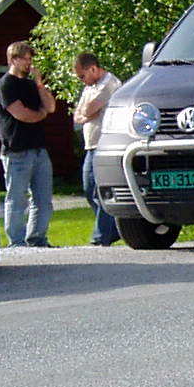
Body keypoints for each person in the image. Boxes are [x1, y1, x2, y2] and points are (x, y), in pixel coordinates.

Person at [0, 40, 57, 247]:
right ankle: (17, 241)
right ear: (13, 59)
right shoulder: (6, 85)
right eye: (26, 59)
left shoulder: (31, 85)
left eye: (31, 59)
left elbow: (51, 106)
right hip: (16, 150)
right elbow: (21, 114)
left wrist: (39, 83)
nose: (30, 63)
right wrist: (40, 114)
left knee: (43, 199)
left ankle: (37, 238)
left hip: (39, 149)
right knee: (17, 198)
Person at [71, 51, 124, 247]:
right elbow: (77, 115)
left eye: (82, 76)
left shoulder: (109, 84)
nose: (82, 81)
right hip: (90, 145)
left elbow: (86, 110)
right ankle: (115, 229)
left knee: (101, 191)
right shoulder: (90, 87)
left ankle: (101, 236)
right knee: (89, 189)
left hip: (104, 144)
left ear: (93, 68)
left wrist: (87, 113)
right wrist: (88, 113)